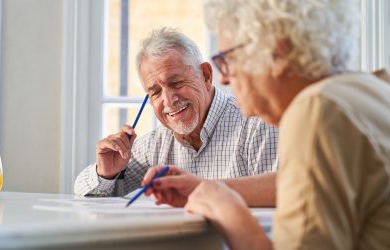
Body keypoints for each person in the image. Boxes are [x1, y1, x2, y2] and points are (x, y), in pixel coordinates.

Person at [143, 1, 390, 249]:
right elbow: (305, 187)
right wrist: (206, 188)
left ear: (276, 51)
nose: (225, 78)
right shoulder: (371, 90)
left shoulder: (316, 109)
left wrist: (226, 211)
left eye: (227, 59)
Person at [74, 28, 279, 207]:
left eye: (176, 83)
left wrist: (201, 189)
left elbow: (283, 197)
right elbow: (83, 194)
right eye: (155, 92)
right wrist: (106, 173)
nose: (169, 100)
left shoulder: (257, 126)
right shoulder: (155, 144)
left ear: (206, 75)